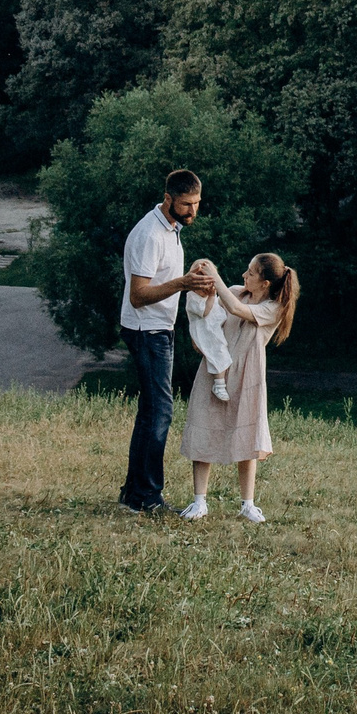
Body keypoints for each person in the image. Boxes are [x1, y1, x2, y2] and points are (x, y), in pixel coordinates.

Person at [178, 252, 299, 524]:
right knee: (204, 425)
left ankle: (247, 504)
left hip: (247, 374)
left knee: (246, 436)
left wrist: (215, 276)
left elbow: (236, 309)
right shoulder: (235, 291)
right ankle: (199, 501)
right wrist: (206, 294)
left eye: (251, 273)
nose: (244, 276)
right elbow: (212, 315)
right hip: (216, 368)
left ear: (265, 283)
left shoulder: (273, 308)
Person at [118, 169, 210, 515]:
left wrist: (189, 283)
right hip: (146, 330)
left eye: (197, 204)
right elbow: (139, 295)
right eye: (186, 204)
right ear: (168, 198)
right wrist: (183, 284)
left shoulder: (171, 229)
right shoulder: (150, 234)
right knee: (160, 413)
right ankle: (150, 497)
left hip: (159, 328)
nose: (192, 212)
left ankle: (134, 493)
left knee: (150, 413)